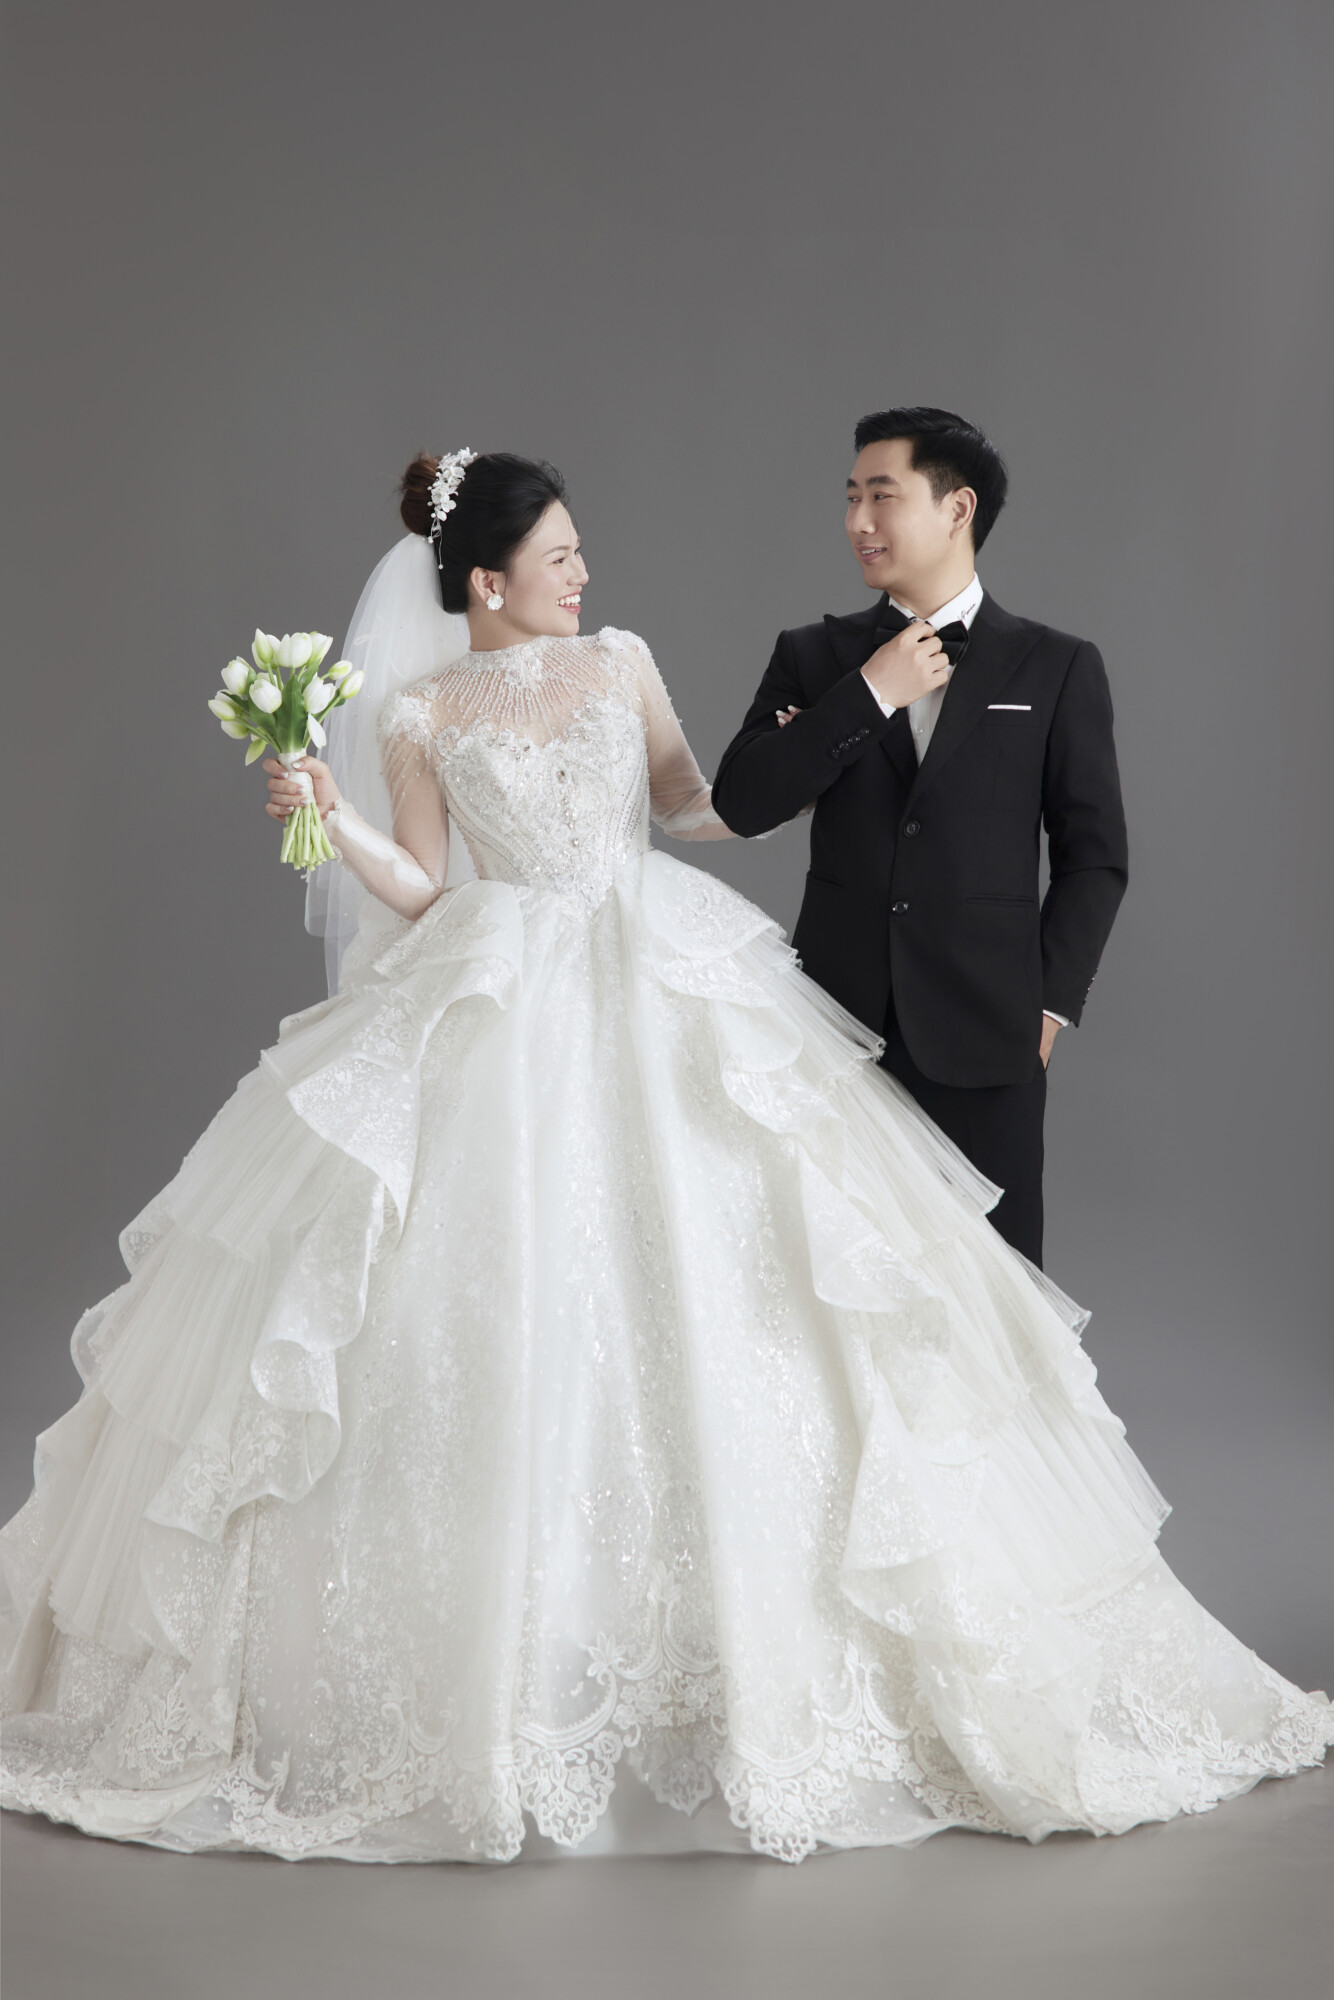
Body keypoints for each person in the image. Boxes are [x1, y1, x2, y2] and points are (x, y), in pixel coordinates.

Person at [1, 450, 1328, 1865]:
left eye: (581, 551)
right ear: (486, 580)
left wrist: (836, 729)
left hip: (655, 962)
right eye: (558, 556)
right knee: (483, 1304)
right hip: (501, 988)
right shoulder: (421, 709)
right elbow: (427, 887)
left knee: (742, 1289)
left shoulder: (618, 660)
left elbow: (699, 803)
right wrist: (331, 816)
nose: (583, 573)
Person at [712, 407, 1127, 1268]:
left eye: (882, 496)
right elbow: (743, 803)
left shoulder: (1057, 665)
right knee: (838, 1294)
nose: (857, 521)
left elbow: (1094, 857)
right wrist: (867, 694)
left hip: (990, 1032)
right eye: (850, 498)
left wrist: (1049, 1006)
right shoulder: (812, 656)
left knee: (995, 1293)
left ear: (957, 508)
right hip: (834, 1031)